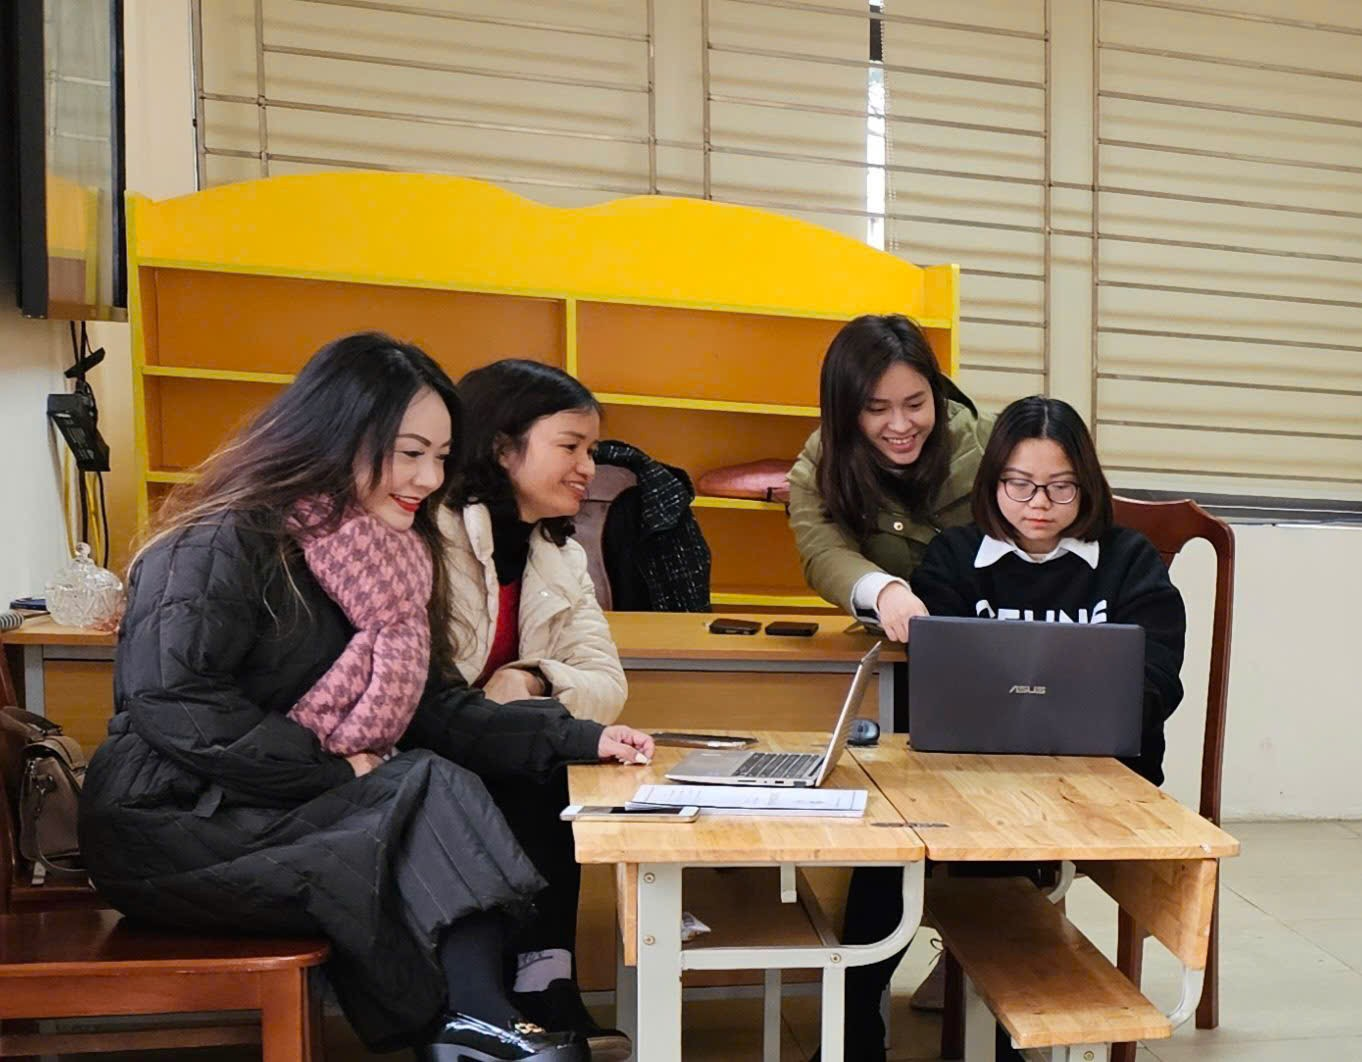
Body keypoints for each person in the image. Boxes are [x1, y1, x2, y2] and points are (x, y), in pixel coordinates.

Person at [78, 333, 654, 1062]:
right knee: (420, 786)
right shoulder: (220, 539)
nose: (427, 476)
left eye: (441, 457)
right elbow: (176, 703)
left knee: (433, 778)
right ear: (337, 433)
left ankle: (471, 1026)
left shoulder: (395, 560)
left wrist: (575, 737)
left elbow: (432, 705)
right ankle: (475, 1020)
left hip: (271, 811)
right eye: (409, 452)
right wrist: (326, 773)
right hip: (165, 823)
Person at [834, 395, 1187, 1061]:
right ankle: (854, 1034)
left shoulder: (1131, 564)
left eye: (1061, 486)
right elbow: (925, 691)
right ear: (994, 481)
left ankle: (1003, 1040)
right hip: (971, 777)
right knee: (883, 854)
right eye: (1020, 484)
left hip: (1094, 782)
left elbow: (1155, 687)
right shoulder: (954, 560)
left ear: (1087, 484)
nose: (1040, 503)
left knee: (1009, 863)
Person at [440, 359, 629, 1055]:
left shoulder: (561, 554)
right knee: (536, 764)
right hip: (432, 748)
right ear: (501, 445)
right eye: (570, 446)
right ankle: (502, 1000)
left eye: (592, 450)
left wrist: (531, 679)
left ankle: (546, 988)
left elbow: (606, 683)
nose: (588, 467)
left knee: (555, 765)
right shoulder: (432, 534)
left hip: (505, 745)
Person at [787, 313, 994, 645]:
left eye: (915, 404)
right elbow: (823, 552)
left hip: (995, 642)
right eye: (877, 409)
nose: (900, 426)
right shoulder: (821, 463)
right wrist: (884, 591)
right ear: (845, 410)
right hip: (891, 646)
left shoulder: (993, 443)